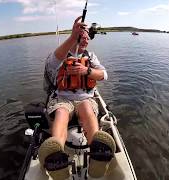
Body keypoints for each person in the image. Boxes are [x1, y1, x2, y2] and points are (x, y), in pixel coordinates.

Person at [39, 16, 116, 180]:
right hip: (62, 99)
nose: (86, 40)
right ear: (75, 36)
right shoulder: (61, 55)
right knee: (61, 113)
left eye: (88, 37)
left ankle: (97, 152)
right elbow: (51, 63)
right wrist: (72, 36)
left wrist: (86, 71)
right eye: (82, 36)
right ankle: (56, 152)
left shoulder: (91, 56)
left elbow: (104, 74)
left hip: (85, 98)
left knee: (88, 109)